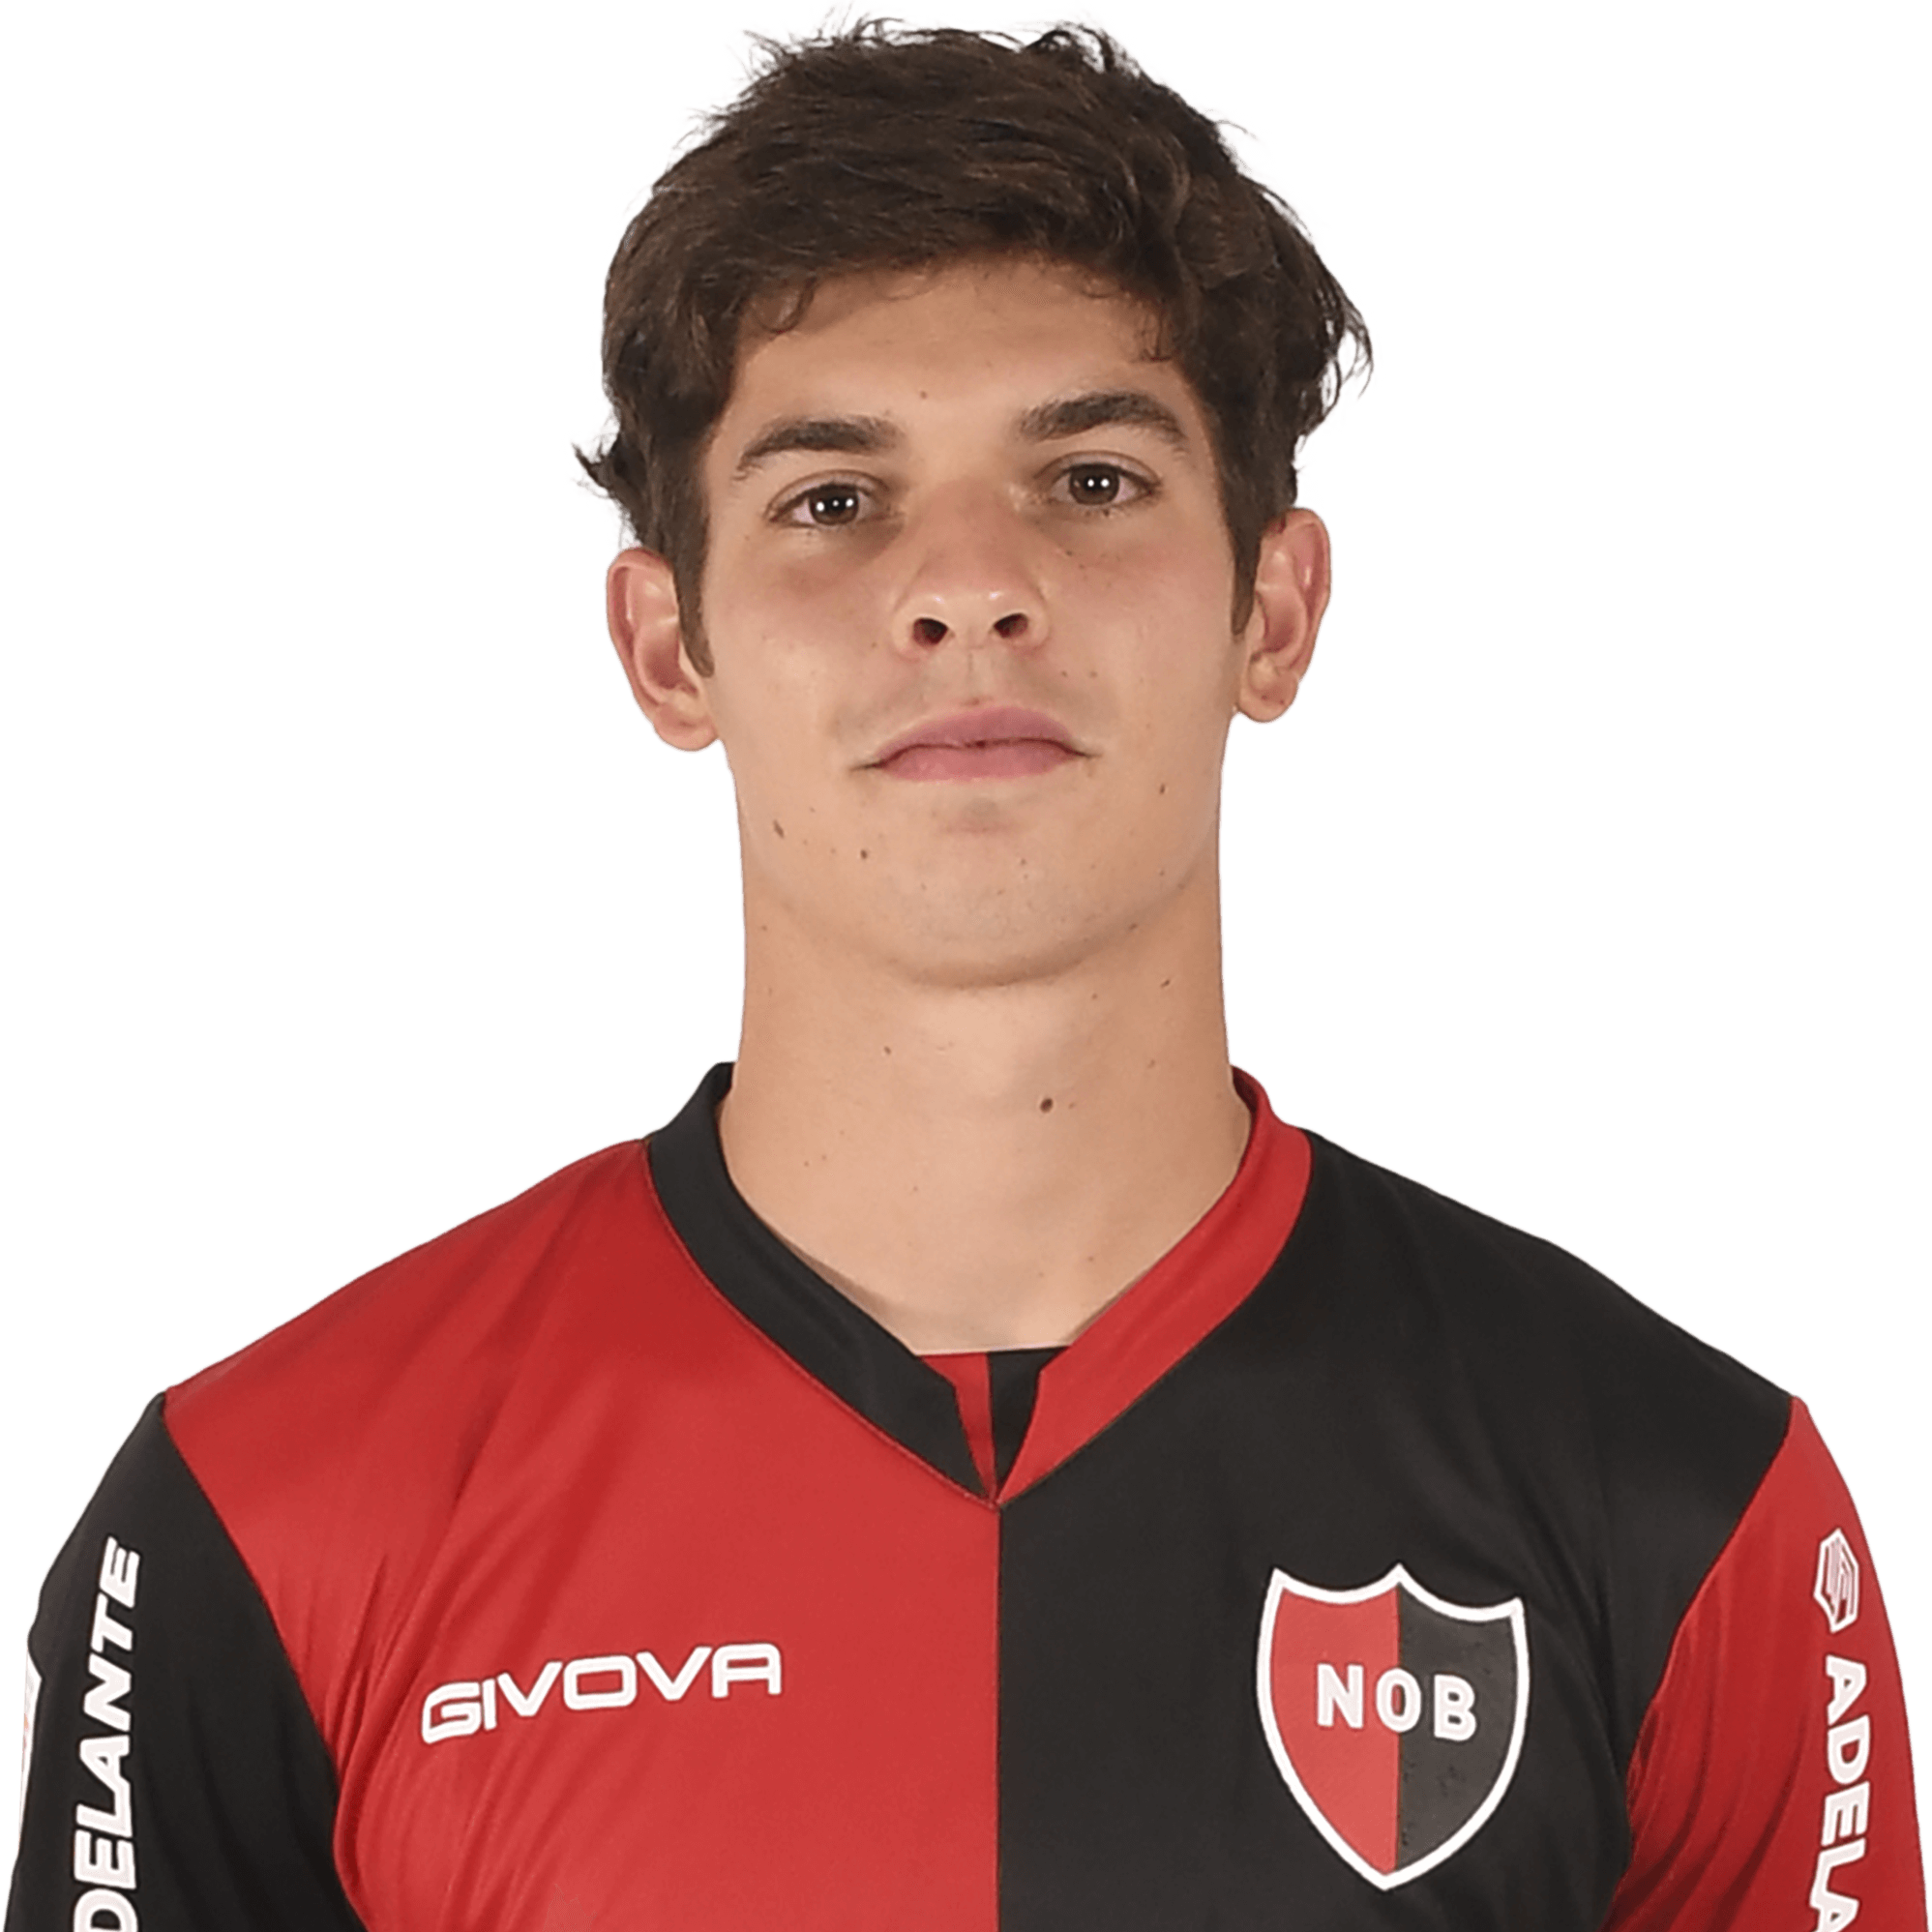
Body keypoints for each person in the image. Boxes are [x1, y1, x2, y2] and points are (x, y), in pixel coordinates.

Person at [6, 5, 1923, 1928]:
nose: (968, 587)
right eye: (832, 500)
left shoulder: (1685, 1499)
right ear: (665, 647)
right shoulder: (261, 1513)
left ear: (1274, 607)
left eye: (1089, 478)